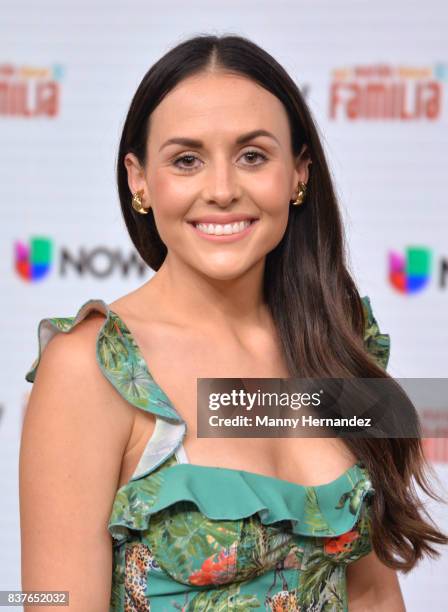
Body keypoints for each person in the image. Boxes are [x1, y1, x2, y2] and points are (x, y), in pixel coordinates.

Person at [20, 34, 447, 611]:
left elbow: (373, 593)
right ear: (139, 179)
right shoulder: (97, 367)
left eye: (252, 156)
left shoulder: (336, 341)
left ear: (298, 174)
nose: (222, 190)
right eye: (187, 160)